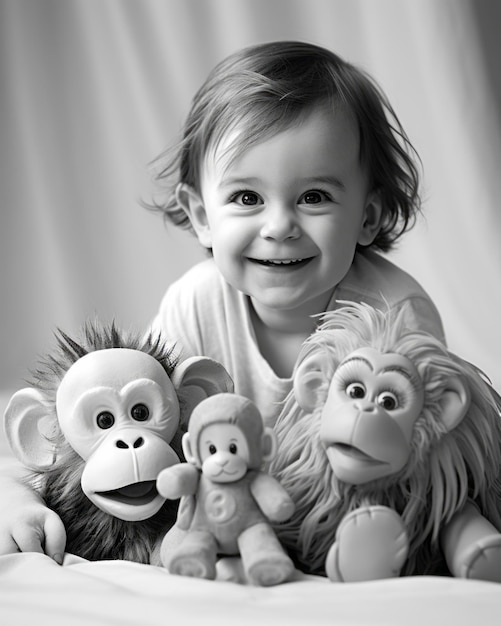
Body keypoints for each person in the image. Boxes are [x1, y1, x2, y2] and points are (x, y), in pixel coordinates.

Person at [0, 40, 444, 562]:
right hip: (235, 510)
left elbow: (436, 457)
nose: (279, 226)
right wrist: (18, 497)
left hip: (346, 508)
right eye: (247, 198)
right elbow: (119, 432)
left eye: (314, 197)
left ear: (367, 216)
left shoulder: (392, 313)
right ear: (202, 215)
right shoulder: (195, 303)